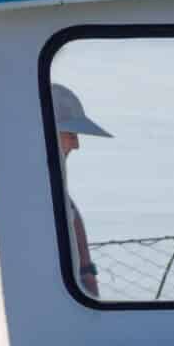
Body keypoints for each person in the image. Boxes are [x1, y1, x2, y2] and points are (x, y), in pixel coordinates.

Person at [51, 81, 111, 294]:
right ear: (46, 134)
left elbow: (71, 213)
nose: (77, 146)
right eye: (71, 135)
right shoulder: (31, 198)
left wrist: (87, 272)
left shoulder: (56, 194)